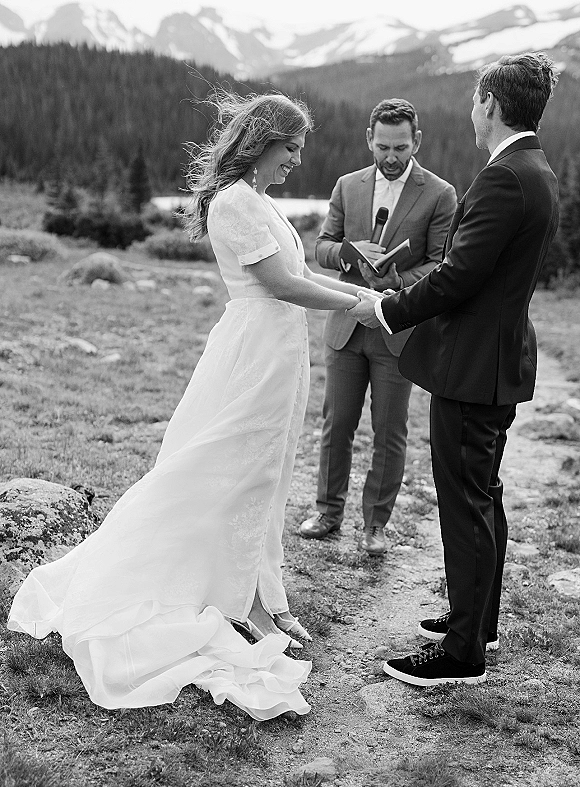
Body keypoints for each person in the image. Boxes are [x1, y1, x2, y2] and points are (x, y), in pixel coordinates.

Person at [8, 92, 379, 720]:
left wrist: (370, 293)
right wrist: (362, 305)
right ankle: (246, 600)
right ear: (264, 141)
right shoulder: (234, 202)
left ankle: (263, 592)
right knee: (235, 470)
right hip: (256, 351)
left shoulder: (258, 200)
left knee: (269, 474)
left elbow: (303, 280)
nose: (297, 160)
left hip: (281, 348)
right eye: (292, 148)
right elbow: (283, 283)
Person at [350, 53, 559, 685]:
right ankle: (479, 620)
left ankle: (463, 652)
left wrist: (387, 306)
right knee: (482, 495)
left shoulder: (506, 176)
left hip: (473, 368)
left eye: (474, 101)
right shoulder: (531, 169)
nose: (471, 112)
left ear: (491, 105)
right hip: (491, 363)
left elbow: (460, 274)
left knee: (464, 502)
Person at [299, 99, 456, 555]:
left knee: (390, 430)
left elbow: (441, 264)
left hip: (398, 329)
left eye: (400, 147)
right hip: (347, 322)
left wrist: (398, 283)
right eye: (382, 146)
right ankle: (328, 512)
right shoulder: (347, 186)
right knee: (337, 424)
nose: (390, 156)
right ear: (369, 139)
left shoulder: (440, 193)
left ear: (416, 142)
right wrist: (350, 252)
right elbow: (321, 248)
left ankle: (376, 525)